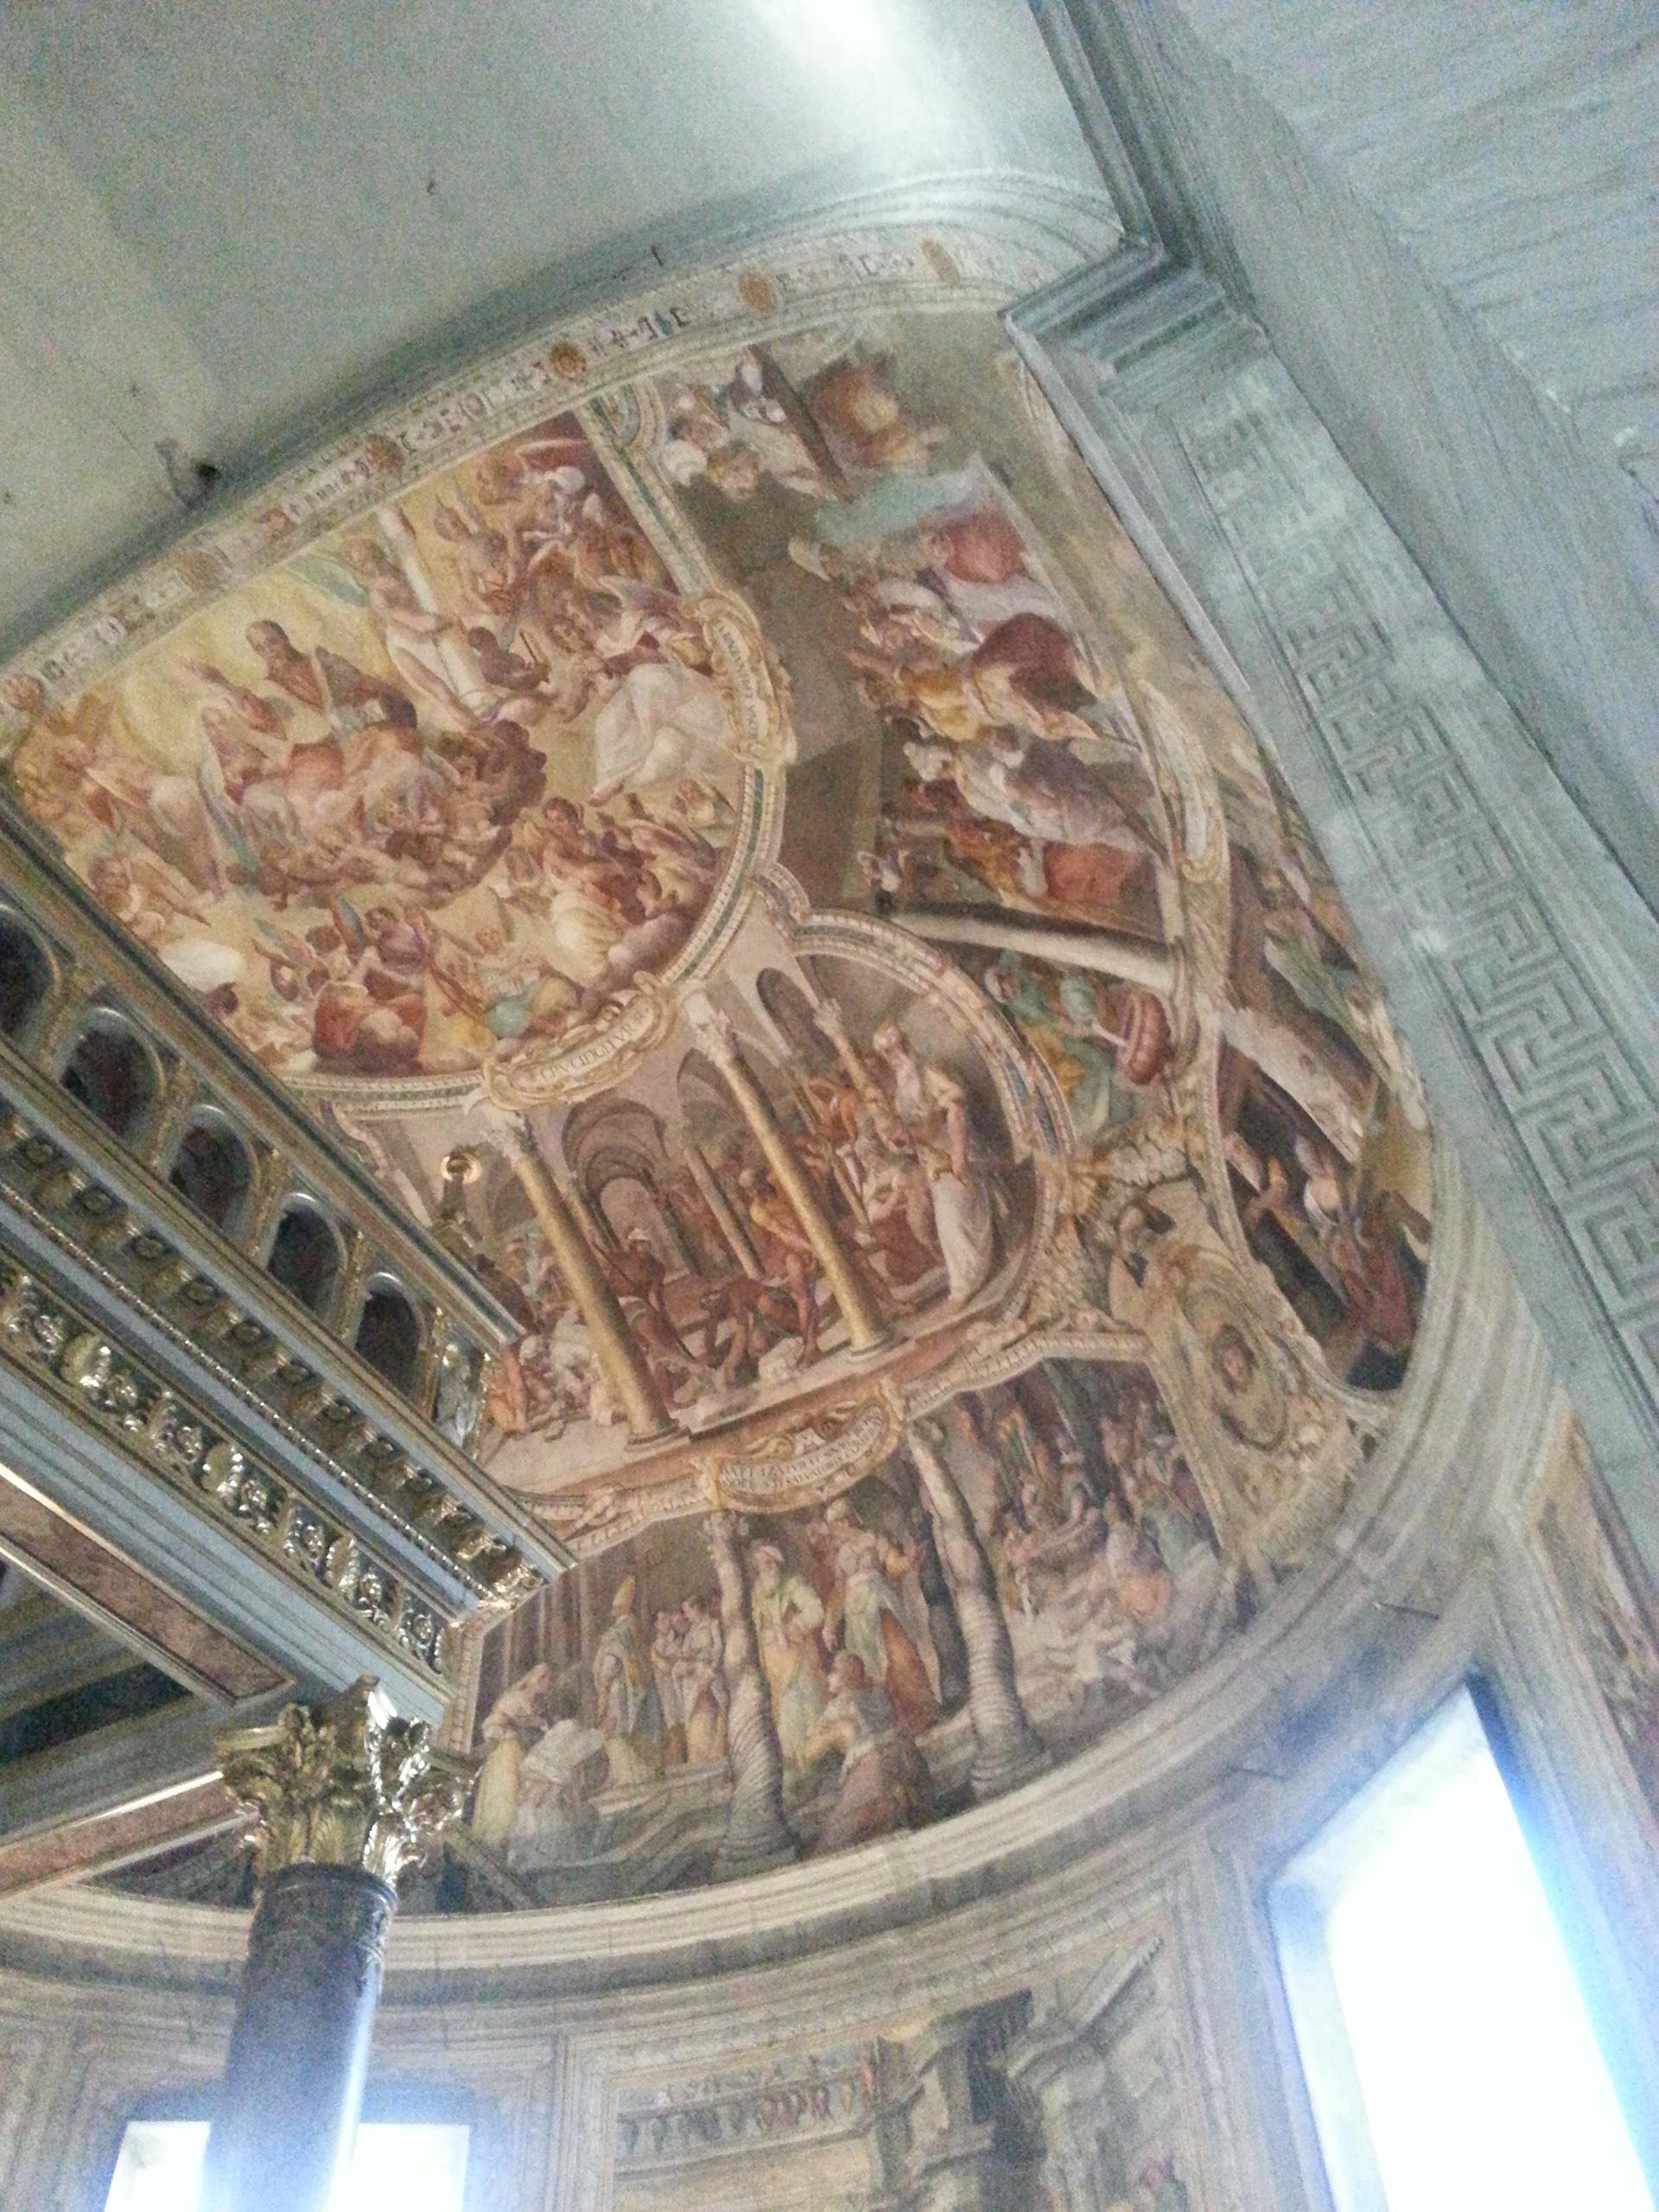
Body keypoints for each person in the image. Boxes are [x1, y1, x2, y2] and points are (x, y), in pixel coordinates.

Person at [798, 1651, 934, 1853]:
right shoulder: (877, 1691)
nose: (828, 1677)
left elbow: (810, 1752)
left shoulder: (841, 1705)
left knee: (839, 1834)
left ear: (845, 1677)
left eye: (833, 1672)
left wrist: (816, 1734)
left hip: (874, 1768)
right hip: (907, 1756)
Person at [822, 1499, 938, 1734]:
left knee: (898, 1653)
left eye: (838, 1524)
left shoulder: (873, 1538)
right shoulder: (841, 1555)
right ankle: (888, 1723)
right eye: (833, 1527)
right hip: (856, 1615)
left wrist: (909, 1561)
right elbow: (839, 1591)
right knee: (866, 1665)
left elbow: (892, 1565)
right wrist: (829, 1625)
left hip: (880, 1604)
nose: (837, 1531)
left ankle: (919, 1713)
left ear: (847, 1520)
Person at [747, 1541, 829, 1771]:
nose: (767, 1568)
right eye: (762, 1565)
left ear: (778, 1562)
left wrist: (795, 1626)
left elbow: (816, 1610)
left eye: (770, 1563)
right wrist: (768, 1635)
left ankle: (817, 1758)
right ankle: (795, 1762)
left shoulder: (793, 1585)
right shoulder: (757, 1593)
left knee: (807, 1700)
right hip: (775, 1663)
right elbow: (755, 1627)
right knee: (784, 1708)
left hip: (800, 1655)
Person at [591, 1574, 662, 1788]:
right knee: (615, 1730)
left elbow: (610, 1668)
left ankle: (627, 1773)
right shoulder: (622, 1636)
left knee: (615, 1729)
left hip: (619, 1690)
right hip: (619, 1688)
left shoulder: (618, 1639)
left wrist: (603, 1688)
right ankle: (621, 1772)